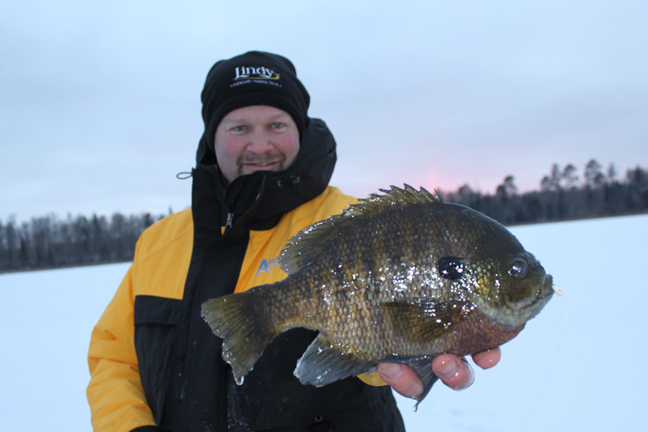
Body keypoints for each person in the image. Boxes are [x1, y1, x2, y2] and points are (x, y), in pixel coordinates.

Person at [87, 51, 501, 432]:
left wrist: (409, 348)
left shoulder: (352, 224)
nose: (260, 145)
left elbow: (372, 354)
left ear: (300, 130)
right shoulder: (158, 243)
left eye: (277, 125)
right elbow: (114, 356)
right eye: (240, 127)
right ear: (212, 137)